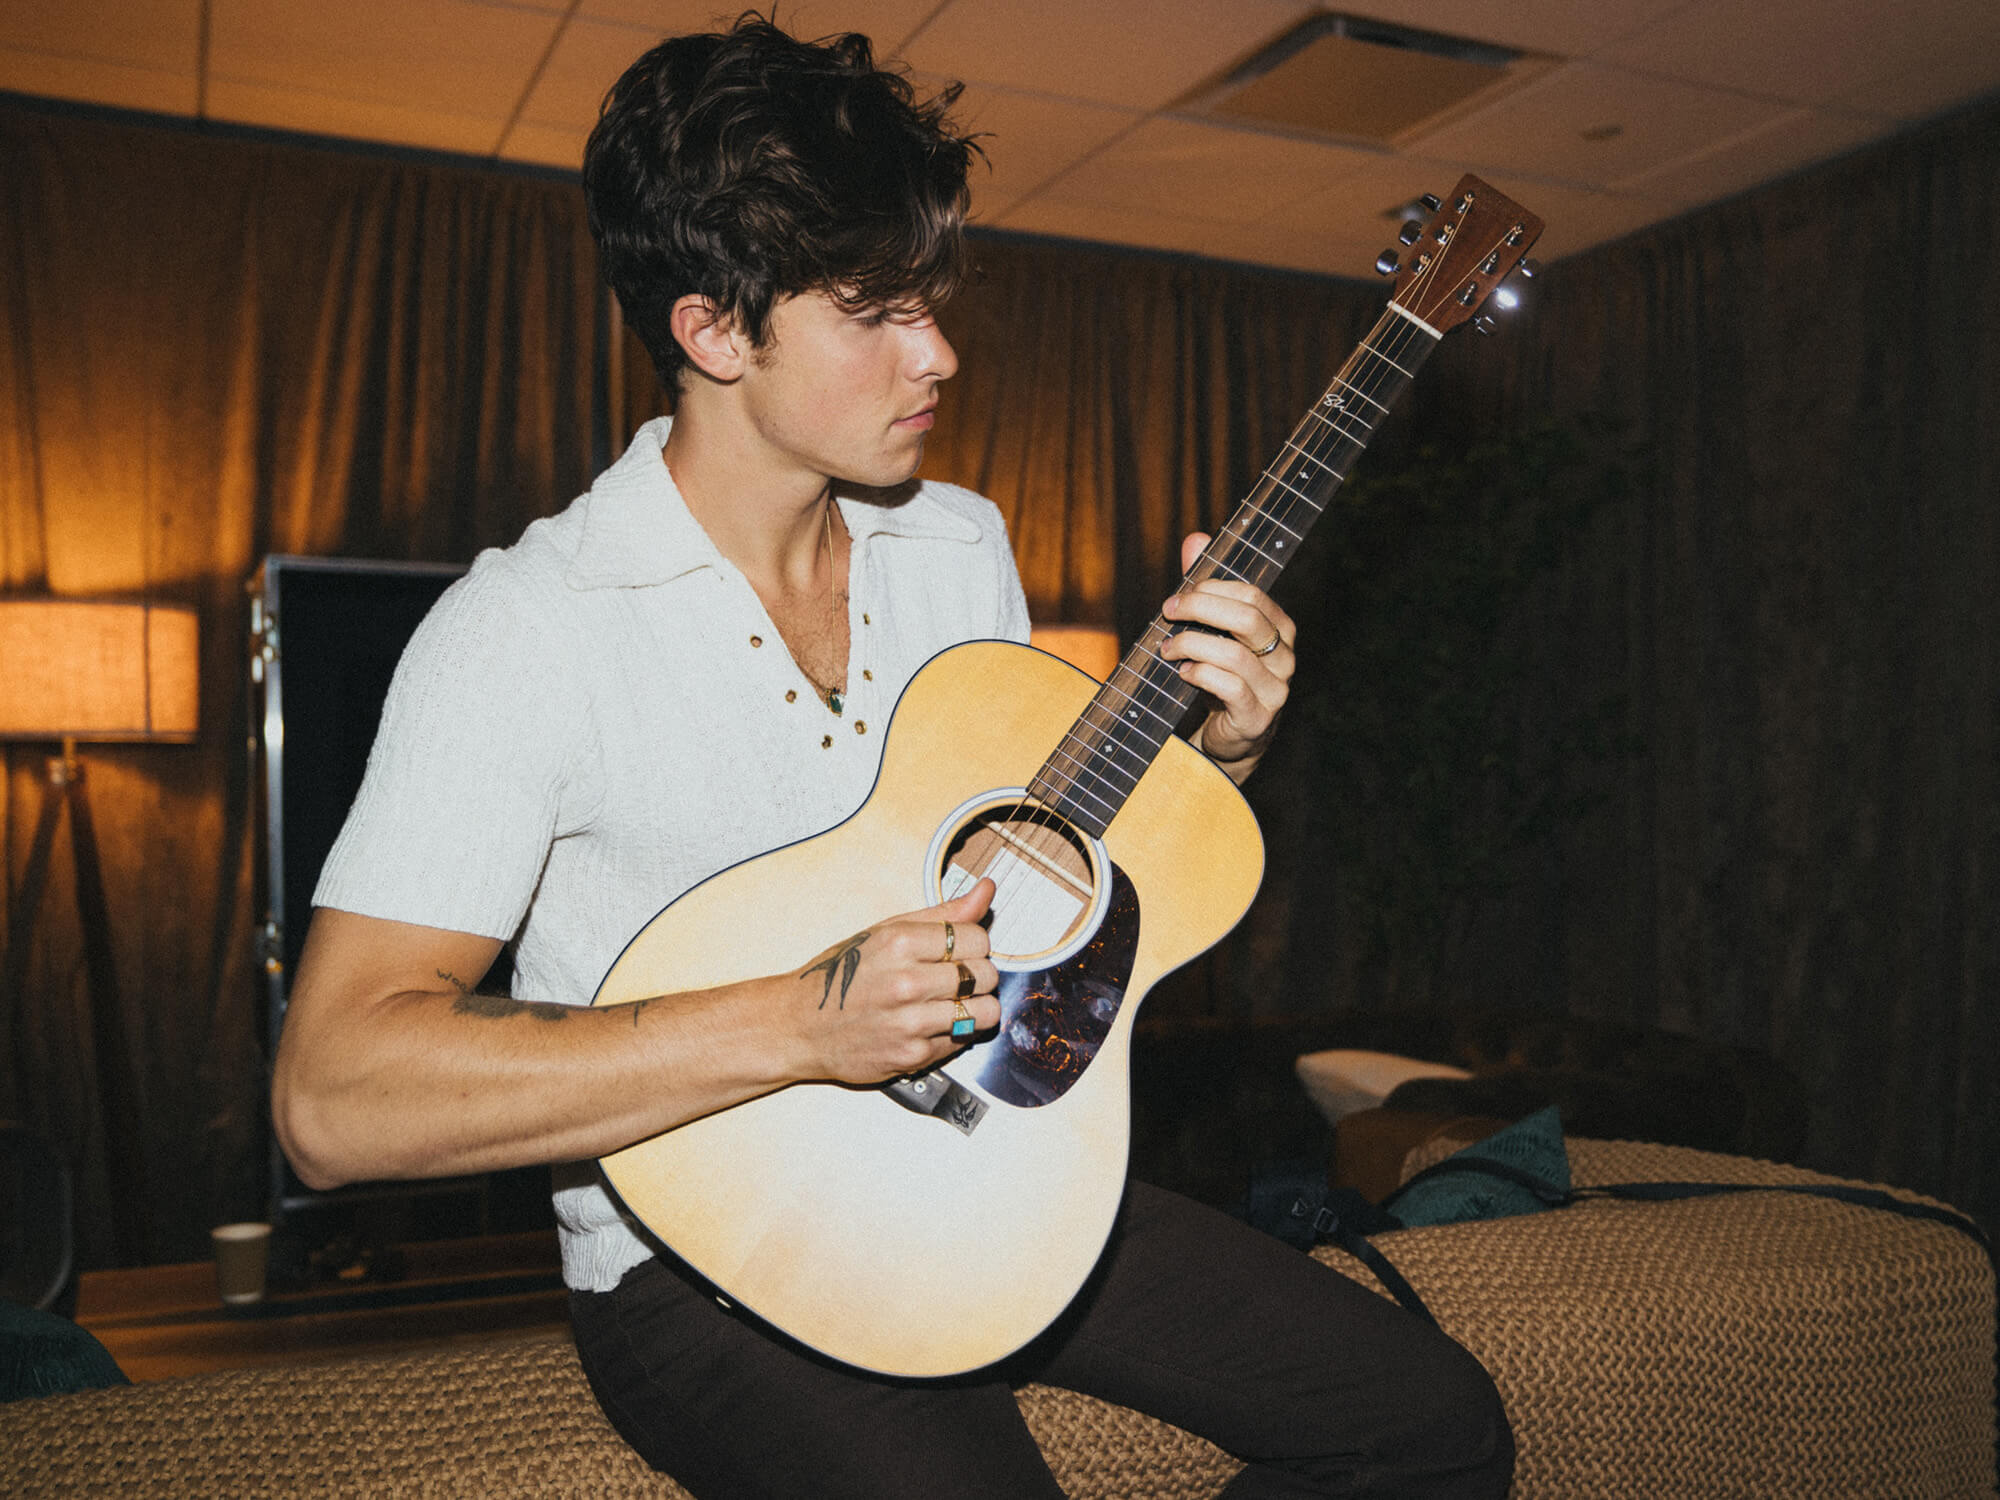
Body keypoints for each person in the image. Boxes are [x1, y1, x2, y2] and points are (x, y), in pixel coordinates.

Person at [271, 14, 1512, 1498]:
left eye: (935, 298)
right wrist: (800, 1021)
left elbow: (1025, 910)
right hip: (704, 1263)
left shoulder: (957, 544)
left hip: (999, 1172)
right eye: (875, 311)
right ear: (713, 330)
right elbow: (333, 1100)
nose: (942, 353)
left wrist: (1213, 762)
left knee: (1428, 1427)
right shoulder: (526, 633)